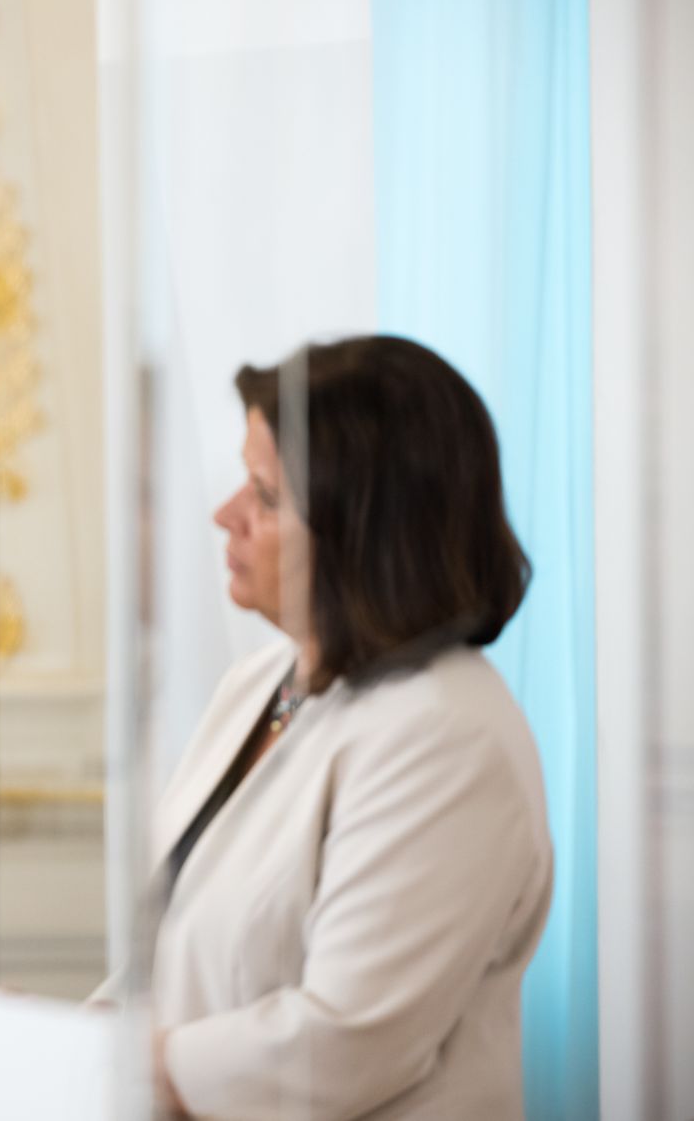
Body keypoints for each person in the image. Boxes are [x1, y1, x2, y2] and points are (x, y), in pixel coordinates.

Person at [116, 335, 552, 1118]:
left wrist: (119, 1065)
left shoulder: (447, 737)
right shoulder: (265, 683)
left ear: (367, 531)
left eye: (265, 495)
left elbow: (345, 1043)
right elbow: (177, 949)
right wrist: (60, 1040)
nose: (225, 514)